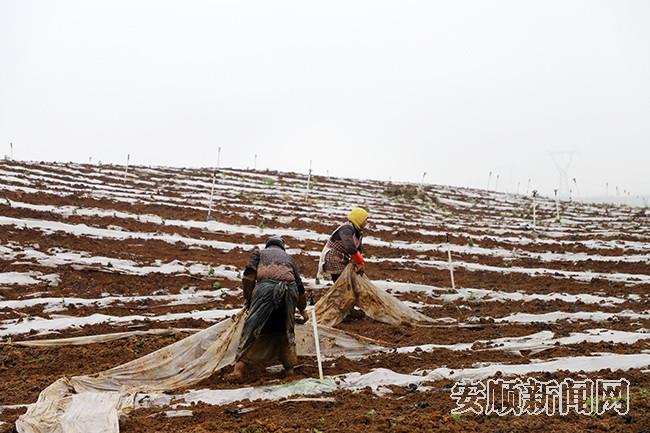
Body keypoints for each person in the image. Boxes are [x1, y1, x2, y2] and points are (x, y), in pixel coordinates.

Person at [228, 236, 307, 381]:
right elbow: (300, 287)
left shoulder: (259, 253)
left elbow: (248, 278)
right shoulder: (289, 259)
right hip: (290, 291)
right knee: (285, 329)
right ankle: (289, 371)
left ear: (268, 245)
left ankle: (238, 370)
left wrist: (249, 300)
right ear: (282, 248)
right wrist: (303, 310)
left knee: (251, 327)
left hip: (266, 289)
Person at [317, 207, 369, 282]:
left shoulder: (359, 232)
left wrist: (359, 261)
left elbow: (359, 248)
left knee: (348, 280)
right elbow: (350, 247)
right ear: (359, 219)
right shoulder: (346, 229)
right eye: (365, 220)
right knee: (342, 281)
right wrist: (360, 261)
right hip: (333, 257)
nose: (366, 222)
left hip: (344, 257)